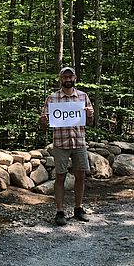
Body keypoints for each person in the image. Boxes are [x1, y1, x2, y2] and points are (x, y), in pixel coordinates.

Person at [41, 66, 94, 226]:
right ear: (60, 79)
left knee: (80, 175)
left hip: (79, 142)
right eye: (65, 77)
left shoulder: (83, 97)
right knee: (60, 176)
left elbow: (90, 123)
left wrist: (90, 115)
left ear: (75, 78)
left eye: (70, 77)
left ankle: (78, 208)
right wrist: (43, 121)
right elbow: (44, 124)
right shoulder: (52, 98)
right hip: (60, 143)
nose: (68, 79)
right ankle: (60, 211)